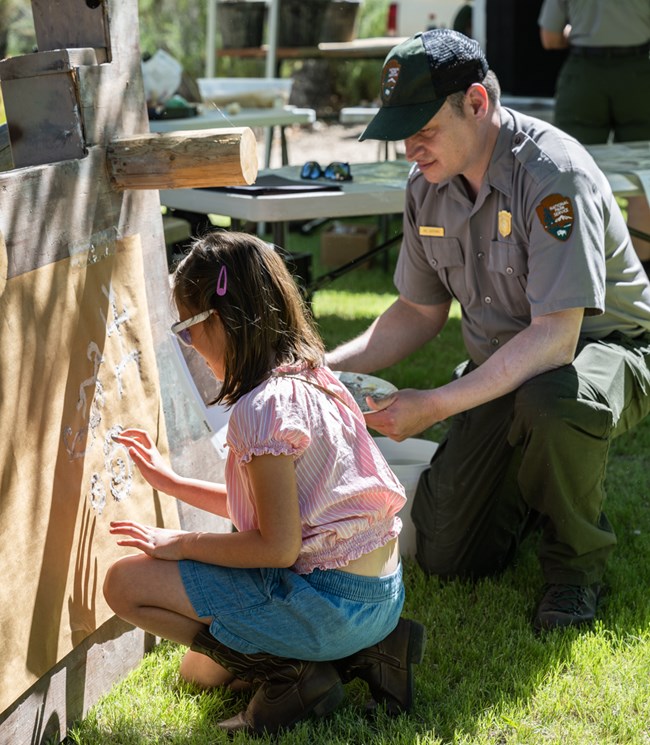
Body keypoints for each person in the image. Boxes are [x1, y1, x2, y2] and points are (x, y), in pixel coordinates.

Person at [325, 29, 650, 632]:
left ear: (476, 102)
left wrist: (437, 404)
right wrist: (324, 368)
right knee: (449, 555)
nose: (410, 149)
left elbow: (556, 339)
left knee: (552, 401)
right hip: (511, 363)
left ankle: (574, 573)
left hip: (606, 349)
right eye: (402, 132)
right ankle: (537, 485)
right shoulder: (427, 186)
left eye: (423, 128)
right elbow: (417, 312)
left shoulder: (554, 175)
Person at [102, 231, 426, 735]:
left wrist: (180, 544)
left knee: (123, 583)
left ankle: (293, 675)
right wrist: (172, 483)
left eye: (187, 330)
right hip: (381, 597)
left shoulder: (261, 409)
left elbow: (277, 545)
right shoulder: (317, 378)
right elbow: (283, 507)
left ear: (221, 321)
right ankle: (376, 652)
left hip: (330, 604)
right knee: (196, 675)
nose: (189, 346)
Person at [538, 0, 650, 274]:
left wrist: (581, 29)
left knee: (570, 176)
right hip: (639, 74)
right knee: (645, 177)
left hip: (585, 74)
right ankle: (640, 284)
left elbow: (550, 38)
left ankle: (579, 273)